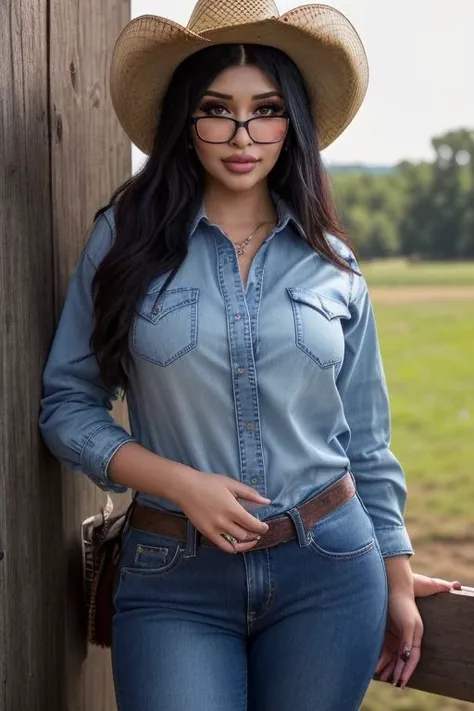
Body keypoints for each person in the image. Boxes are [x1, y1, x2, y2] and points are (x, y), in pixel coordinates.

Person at [38, 1, 461, 709]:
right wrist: (180, 482)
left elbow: (368, 440)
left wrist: (394, 570)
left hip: (330, 570)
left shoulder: (336, 265)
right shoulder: (123, 241)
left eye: (265, 109)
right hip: (173, 575)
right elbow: (66, 406)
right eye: (216, 109)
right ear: (184, 120)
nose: (242, 135)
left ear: (292, 120)